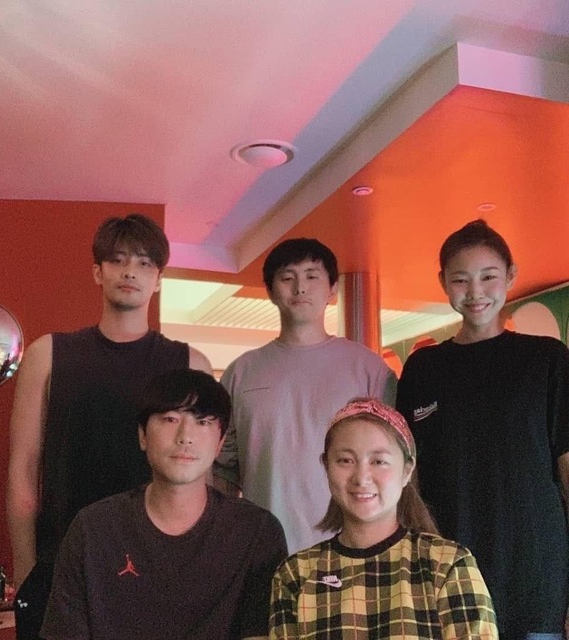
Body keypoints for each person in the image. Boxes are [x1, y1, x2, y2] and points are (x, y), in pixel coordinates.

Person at [7, 214, 212, 639]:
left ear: (158, 279)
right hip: (62, 561)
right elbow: (23, 467)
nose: (130, 272)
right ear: (98, 272)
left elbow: (199, 478)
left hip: (162, 567)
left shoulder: (190, 364)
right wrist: (27, 574)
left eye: (143, 263)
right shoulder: (48, 356)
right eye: (118, 260)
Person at [396, 219, 569, 640]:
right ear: (443, 282)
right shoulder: (422, 369)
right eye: (461, 279)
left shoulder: (546, 360)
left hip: (534, 575)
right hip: (445, 574)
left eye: (488, 276)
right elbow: (407, 480)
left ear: (511, 275)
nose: (475, 292)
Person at [41, 369, 288, 640]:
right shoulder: (94, 530)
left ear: (220, 443)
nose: (185, 436)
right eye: (170, 419)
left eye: (203, 422)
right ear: (143, 435)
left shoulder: (256, 532)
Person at [214, 238, 396, 552]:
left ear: (333, 288)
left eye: (312, 276)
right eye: (287, 278)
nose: (300, 288)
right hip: (263, 548)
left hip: (354, 550)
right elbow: (223, 472)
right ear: (270, 291)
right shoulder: (241, 372)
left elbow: (393, 466)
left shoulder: (370, 370)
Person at [270, 398, 498, 639]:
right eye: (345, 460)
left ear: (407, 470)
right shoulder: (295, 574)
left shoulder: (448, 564)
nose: (361, 477)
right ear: (326, 466)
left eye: (379, 461)